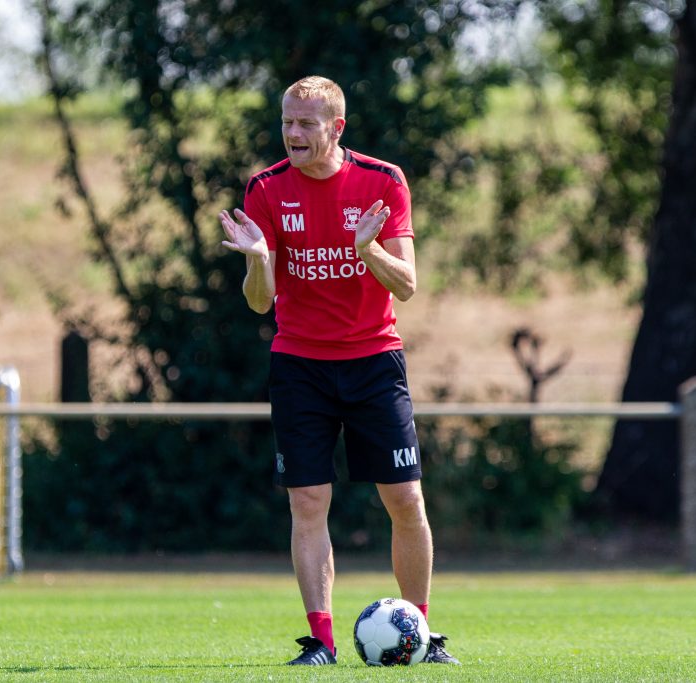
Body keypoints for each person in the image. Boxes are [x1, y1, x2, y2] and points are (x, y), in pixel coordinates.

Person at [218, 75, 459, 667]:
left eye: (305, 123)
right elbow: (258, 301)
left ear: (337, 127)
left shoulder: (383, 181)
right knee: (307, 501)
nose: (292, 133)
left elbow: (407, 285)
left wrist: (367, 250)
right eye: (286, 122)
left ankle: (422, 635)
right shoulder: (267, 189)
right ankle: (320, 642)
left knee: (405, 499)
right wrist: (256, 261)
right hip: (300, 364)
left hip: (374, 361)